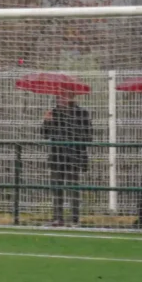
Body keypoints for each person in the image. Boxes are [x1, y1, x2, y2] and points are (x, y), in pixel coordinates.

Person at [40, 91, 92, 226]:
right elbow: (44, 135)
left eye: (63, 96)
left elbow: (88, 136)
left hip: (73, 156)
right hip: (57, 156)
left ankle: (74, 219)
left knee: (73, 188)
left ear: (71, 97)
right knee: (56, 188)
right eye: (58, 97)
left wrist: (72, 132)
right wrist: (47, 122)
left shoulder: (81, 113)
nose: (60, 99)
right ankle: (58, 218)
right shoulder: (53, 113)